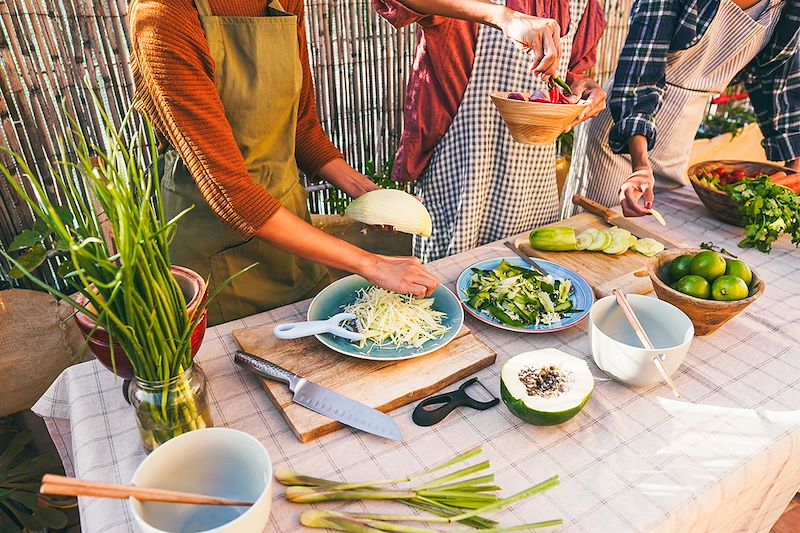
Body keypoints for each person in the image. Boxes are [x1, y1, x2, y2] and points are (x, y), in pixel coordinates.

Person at [128, 0, 439, 326]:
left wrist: (368, 194)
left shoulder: (284, 2)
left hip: (292, 231)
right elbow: (229, 192)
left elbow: (301, 127)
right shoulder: (163, 15)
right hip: (216, 247)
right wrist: (371, 264)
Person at [373, 0, 607, 262]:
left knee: (526, 286)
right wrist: (504, 17)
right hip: (463, 173)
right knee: (451, 282)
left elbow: (576, 74)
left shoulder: (581, 4)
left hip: (535, 183)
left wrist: (586, 90)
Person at [562, 0, 800, 218]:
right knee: (593, 231)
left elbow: (779, 81)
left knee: (651, 242)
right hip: (624, 130)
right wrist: (641, 166)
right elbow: (640, 73)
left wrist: (795, 167)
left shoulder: (788, 6)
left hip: (681, 134)